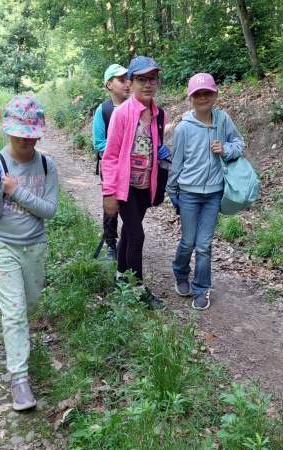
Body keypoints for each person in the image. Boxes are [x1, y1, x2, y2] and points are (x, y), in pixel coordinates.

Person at [0, 95, 58, 411]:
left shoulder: (46, 165)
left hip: (34, 244)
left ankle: (21, 343)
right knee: (13, 312)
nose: (25, 140)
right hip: (1, 243)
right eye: (19, 134)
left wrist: (16, 191)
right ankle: (20, 379)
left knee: (29, 305)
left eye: (30, 134)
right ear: (8, 131)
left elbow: (48, 210)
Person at [167, 73, 244, 311]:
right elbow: (176, 162)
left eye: (207, 93)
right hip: (188, 193)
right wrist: (172, 191)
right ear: (190, 98)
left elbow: (239, 144)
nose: (203, 98)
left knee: (204, 245)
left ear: (215, 94)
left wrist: (226, 149)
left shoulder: (223, 120)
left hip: (214, 194)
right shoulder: (183, 128)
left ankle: (201, 288)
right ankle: (181, 273)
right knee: (188, 241)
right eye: (198, 94)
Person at [101, 56, 170, 310]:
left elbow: (155, 147)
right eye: (141, 79)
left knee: (130, 233)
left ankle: (121, 276)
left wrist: (161, 156)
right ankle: (138, 288)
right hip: (125, 187)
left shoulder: (159, 115)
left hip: (145, 187)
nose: (148, 84)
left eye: (152, 79)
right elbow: (110, 156)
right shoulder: (121, 114)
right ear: (131, 82)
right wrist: (109, 192)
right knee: (137, 235)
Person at [92, 63, 131, 260]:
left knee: (131, 206)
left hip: (134, 168)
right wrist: (122, 144)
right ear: (109, 85)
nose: (127, 84)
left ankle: (129, 242)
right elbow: (99, 143)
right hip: (112, 168)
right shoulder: (104, 110)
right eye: (121, 80)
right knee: (110, 206)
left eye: (128, 80)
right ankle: (111, 244)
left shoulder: (136, 107)